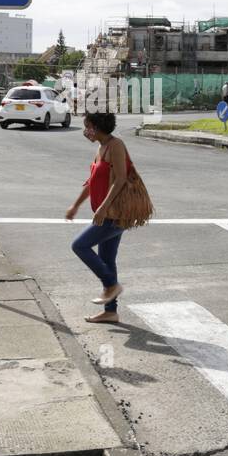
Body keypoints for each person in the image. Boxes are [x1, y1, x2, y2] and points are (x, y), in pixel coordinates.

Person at [66, 111, 132, 324]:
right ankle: (111, 311)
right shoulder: (100, 148)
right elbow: (91, 181)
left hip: (114, 214)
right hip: (106, 213)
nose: (85, 131)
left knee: (79, 245)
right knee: (107, 260)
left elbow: (121, 178)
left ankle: (111, 284)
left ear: (97, 127)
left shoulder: (116, 145)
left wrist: (103, 208)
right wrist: (75, 205)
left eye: (87, 126)